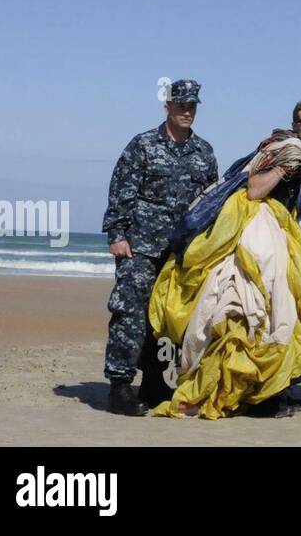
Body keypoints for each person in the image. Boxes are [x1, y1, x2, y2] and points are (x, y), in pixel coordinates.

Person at [102, 80, 218, 416]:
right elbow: (121, 191)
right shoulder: (143, 145)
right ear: (167, 106)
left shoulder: (204, 152)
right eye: (180, 105)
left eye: (192, 106)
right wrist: (117, 235)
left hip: (181, 252)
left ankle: (154, 382)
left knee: (168, 319)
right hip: (140, 247)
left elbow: (208, 203)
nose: (186, 111)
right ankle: (120, 386)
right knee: (130, 314)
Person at [240, 100, 301, 417]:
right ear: (295, 124)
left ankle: (281, 389)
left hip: (297, 252)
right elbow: (253, 189)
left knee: (292, 322)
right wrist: (281, 168)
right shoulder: (278, 148)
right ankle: (261, 396)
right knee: (267, 321)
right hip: (265, 248)